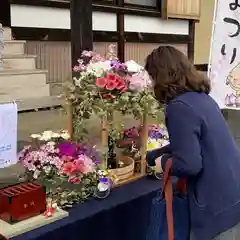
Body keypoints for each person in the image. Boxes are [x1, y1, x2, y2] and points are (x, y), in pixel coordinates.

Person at [145, 46, 240, 240]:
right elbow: (194, 143)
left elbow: (189, 165)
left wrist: (162, 163)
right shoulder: (202, 98)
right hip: (230, 197)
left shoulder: (179, 107)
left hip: (213, 206)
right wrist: (156, 153)